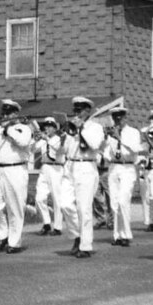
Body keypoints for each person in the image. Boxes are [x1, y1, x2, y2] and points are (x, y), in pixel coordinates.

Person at [60, 96, 105, 259]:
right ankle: (77, 235)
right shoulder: (72, 128)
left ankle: (85, 246)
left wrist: (82, 128)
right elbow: (65, 150)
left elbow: (94, 144)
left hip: (86, 167)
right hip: (70, 166)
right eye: (75, 111)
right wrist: (65, 135)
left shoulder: (96, 127)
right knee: (64, 204)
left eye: (80, 111)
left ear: (88, 111)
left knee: (83, 208)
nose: (76, 114)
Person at [0, 99, 34, 253]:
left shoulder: (23, 128)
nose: (5, 116)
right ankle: (2, 235)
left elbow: (23, 142)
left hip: (15, 170)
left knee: (15, 207)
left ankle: (14, 242)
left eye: (8, 113)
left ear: (15, 114)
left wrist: (9, 130)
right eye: (4, 113)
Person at [103, 104, 145, 247]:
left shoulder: (133, 132)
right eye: (115, 118)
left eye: (120, 118)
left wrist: (119, 138)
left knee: (123, 200)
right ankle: (117, 235)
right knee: (114, 204)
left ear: (125, 118)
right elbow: (106, 153)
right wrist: (105, 141)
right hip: (114, 167)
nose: (117, 120)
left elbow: (134, 150)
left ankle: (126, 234)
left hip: (128, 167)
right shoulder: (111, 134)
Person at [33, 117, 64, 236]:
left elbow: (60, 150)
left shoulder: (59, 139)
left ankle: (58, 227)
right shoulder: (43, 140)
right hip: (45, 168)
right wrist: (35, 140)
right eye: (45, 126)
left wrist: (46, 139)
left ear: (55, 128)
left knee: (57, 198)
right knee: (39, 198)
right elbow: (31, 150)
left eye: (50, 126)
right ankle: (46, 223)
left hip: (57, 168)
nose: (47, 129)